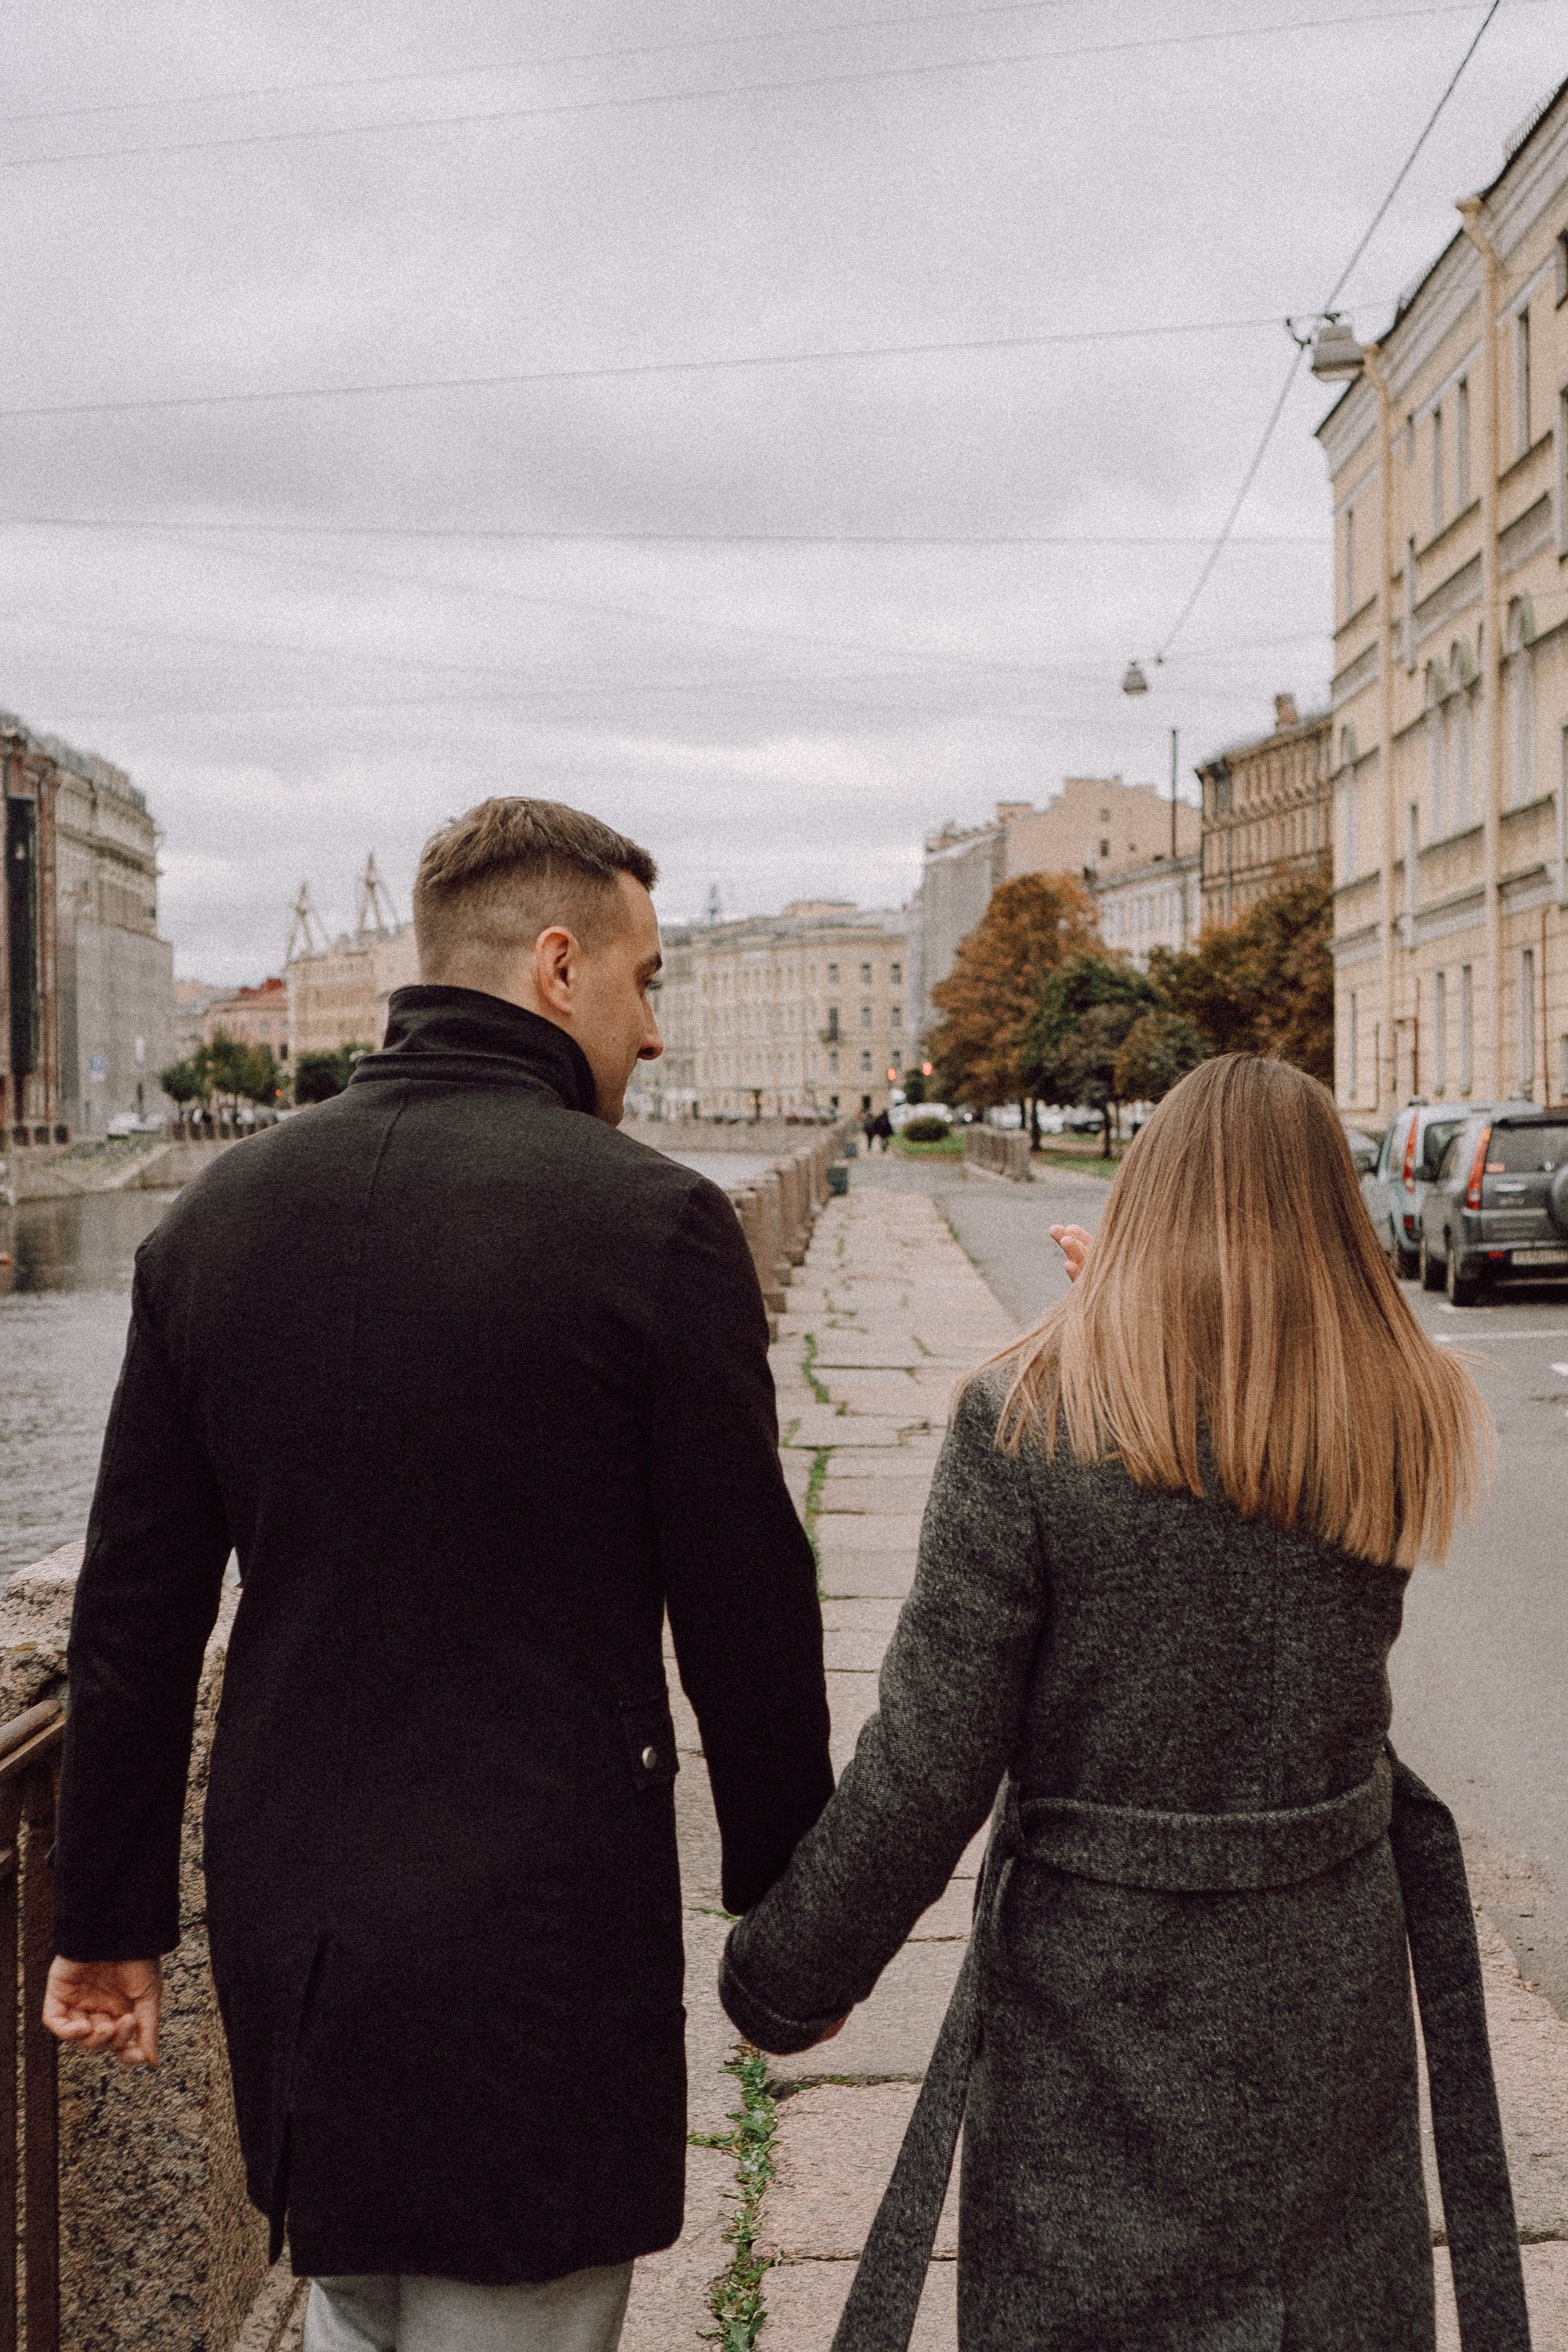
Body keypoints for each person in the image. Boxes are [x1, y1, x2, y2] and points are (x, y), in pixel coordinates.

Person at [44, 797, 834, 2352]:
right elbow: (744, 1607)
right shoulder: (648, 1225)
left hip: (295, 1933)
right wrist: (789, 1897)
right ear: (558, 966)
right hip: (537, 1941)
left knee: (355, 2301)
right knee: (518, 2309)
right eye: (645, 981)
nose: (654, 1030)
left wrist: (108, 1916)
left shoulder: (215, 1222)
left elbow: (133, 1614)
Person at [720, 1053, 1529, 2351]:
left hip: (1101, 1998)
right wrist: (1142, 1321)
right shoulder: (1400, 1407)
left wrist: (789, 1975)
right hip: (1324, 1980)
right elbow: (1243, 1423)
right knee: (1317, 2307)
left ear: (1140, 1199)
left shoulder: (1025, 1423)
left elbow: (930, 1759)